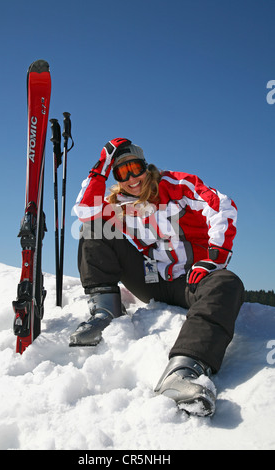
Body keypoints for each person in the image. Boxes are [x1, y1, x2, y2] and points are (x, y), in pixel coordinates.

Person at [70, 137, 244, 417]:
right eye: (121, 173)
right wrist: (101, 166)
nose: (131, 179)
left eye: (135, 168)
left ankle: (183, 372)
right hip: (149, 280)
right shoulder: (120, 203)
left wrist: (213, 259)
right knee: (94, 226)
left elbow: (222, 206)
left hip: (190, 281)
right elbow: (85, 212)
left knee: (228, 282)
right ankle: (105, 312)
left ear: (146, 166)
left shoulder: (175, 186)